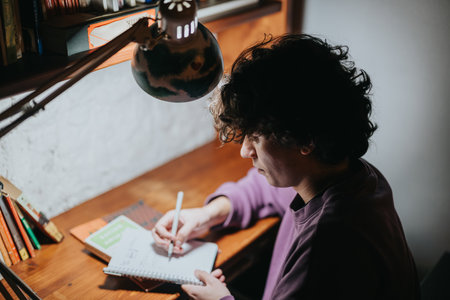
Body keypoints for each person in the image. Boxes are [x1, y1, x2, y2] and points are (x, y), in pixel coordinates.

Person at [152, 34, 420, 299]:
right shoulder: (354, 177)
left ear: (304, 139)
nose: (246, 151)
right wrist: (210, 213)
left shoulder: (329, 245)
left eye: (256, 137)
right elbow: (266, 189)